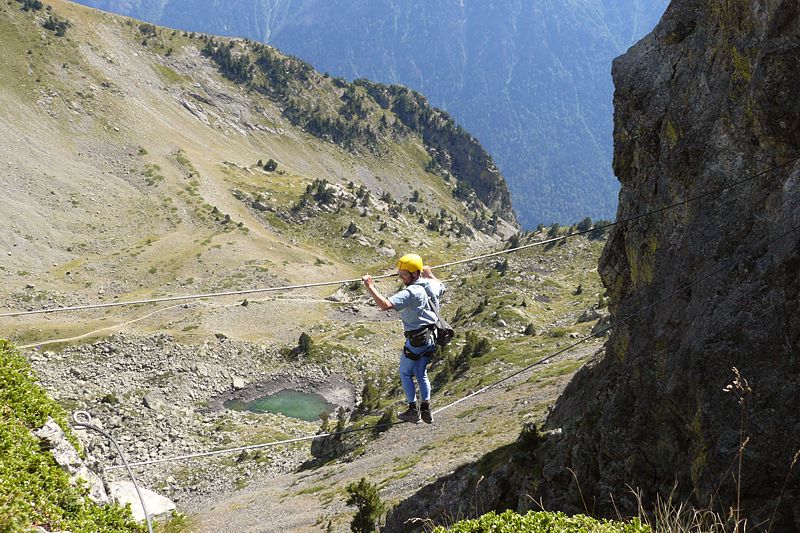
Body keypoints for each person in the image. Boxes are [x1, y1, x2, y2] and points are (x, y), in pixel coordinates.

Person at [362, 253, 445, 424]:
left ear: (415, 274)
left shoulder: (411, 292)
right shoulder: (432, 284)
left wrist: (369, 286)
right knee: (420, 372)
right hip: (432, 337)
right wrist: (429, 274)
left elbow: (385, 305)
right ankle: (426, 408)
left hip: (417, 339)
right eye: (400, 274)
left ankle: (412, 410)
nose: (401, 278)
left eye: (405, 275)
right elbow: (442, 286)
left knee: (405, 372)